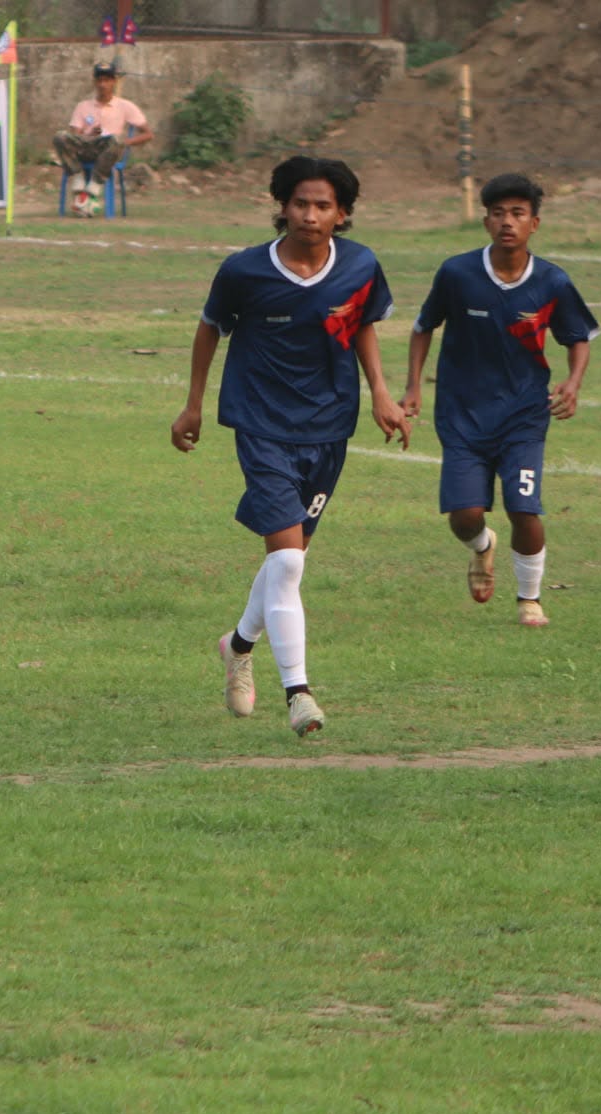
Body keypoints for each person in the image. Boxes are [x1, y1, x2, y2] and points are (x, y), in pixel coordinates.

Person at [170, 156, 408, 737]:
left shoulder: (361, 265)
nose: (310, 214)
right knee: (288, 560)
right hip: (260, 423)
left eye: (323, 205)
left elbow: (362, 324)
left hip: (329, 425)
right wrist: (193, 403)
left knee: (288, 560)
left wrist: (380, 391)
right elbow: (210, 327)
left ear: (342, 213)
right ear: (282, 206)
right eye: (300, 203)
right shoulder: (244, 270)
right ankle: (298, 693)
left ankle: (237, 645)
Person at [403, 173, 597, 626]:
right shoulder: (457, 274)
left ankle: (529, 599)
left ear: (534, 223)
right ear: (486, 221)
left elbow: (577, 337)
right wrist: (413, 386)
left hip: (523, 413)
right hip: (462, 412)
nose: (507, 221)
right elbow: (423, 327)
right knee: (464, 516)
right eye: (498, 213)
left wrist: (573, 382)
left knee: (524, 507)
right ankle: (482, 545)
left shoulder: (552, 281)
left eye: (518, 213)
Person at [53, 63, 153, 214]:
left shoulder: (125, 106)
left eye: (107, 80)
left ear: (113, 82)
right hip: (86, 147)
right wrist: (89, 134)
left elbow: (148, 134)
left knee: (116, 140)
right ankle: (77, 176)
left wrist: (125, 143)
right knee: (60, 136)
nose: (103, 85)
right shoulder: (83, 106)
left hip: (108, 150)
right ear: (94, 82)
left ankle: (94, 186)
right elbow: (74, 135)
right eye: (99, 80)